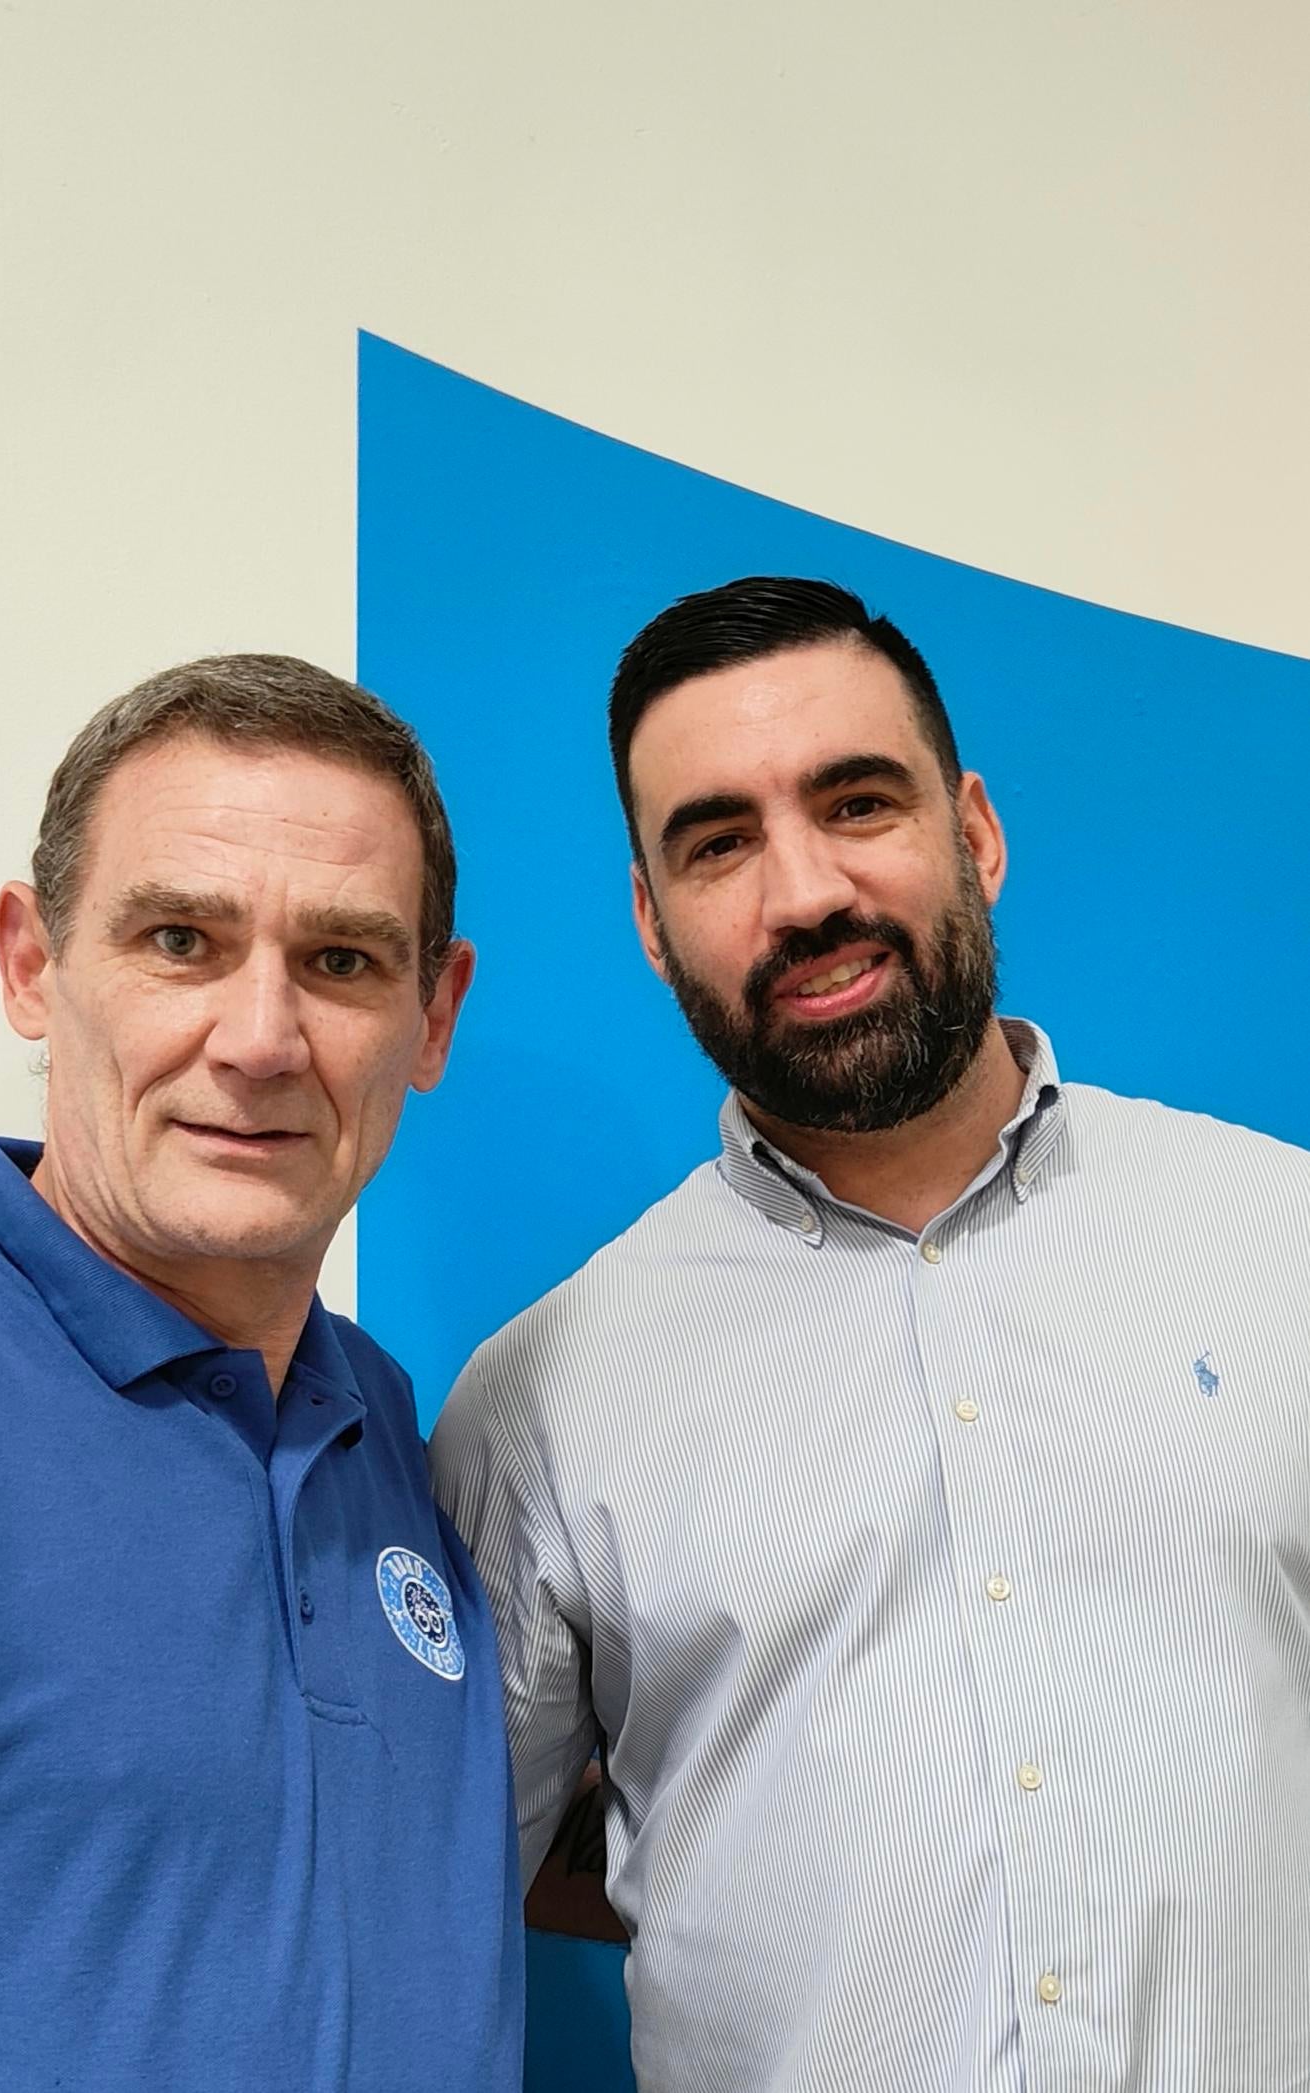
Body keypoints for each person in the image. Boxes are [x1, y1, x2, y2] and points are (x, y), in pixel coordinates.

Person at [431, 577, 1310, 2092]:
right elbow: (431, 1899)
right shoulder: (542, 1401)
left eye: (856, 802)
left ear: (972, 831)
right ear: (649, 920)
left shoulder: (1277, 1239)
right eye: (717, 843)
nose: (804, 892)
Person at [0, 654, 523, 2091]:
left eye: (342, 960)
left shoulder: (390, 1432)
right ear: (34, 963)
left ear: (434, 1013)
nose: (259, 1040)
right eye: (180, 939)